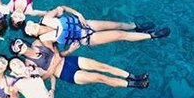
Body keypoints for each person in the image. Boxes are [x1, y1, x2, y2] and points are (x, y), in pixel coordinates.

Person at [24, 5, 169, 54]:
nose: (32, 25)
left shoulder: (46, 18)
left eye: (30, 23)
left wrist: (77, 14)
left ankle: (136, 27)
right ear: (32, 35)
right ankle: (153, 36)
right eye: (29, 29)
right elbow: (57, 56)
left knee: (118, 25)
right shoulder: (45, 41)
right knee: (120, 35)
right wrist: (69, 51)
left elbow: (62, 8)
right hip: (86, 39)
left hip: (87, 24)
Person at [9, 38, 149, 89]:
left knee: (103, 66)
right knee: (100, 78)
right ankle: (133, 85)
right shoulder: (28, 64)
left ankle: (134, 76)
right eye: (17, 48)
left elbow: (58, 53)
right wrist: (55, 62)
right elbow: (45, 76)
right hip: (65, 73)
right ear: (18, 54)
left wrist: (67, 51)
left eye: (19, 43)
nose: (20, 46)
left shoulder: (38, 43)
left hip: (70, 60)